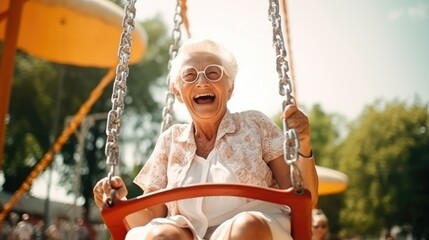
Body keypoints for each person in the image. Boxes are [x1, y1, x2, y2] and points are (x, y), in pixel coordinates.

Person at [93, 38, 319, 240]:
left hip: (254, 228)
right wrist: (118, 200)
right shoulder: (170, 141)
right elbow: (149, 217)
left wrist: (304, 145)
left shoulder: (255, 125)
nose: (202, 82)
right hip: (187, 232)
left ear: (229, 88)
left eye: (213, 73)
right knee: (162, 235)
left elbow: (304, 197)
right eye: (190, 75)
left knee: (246, 227)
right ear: (178, 92)